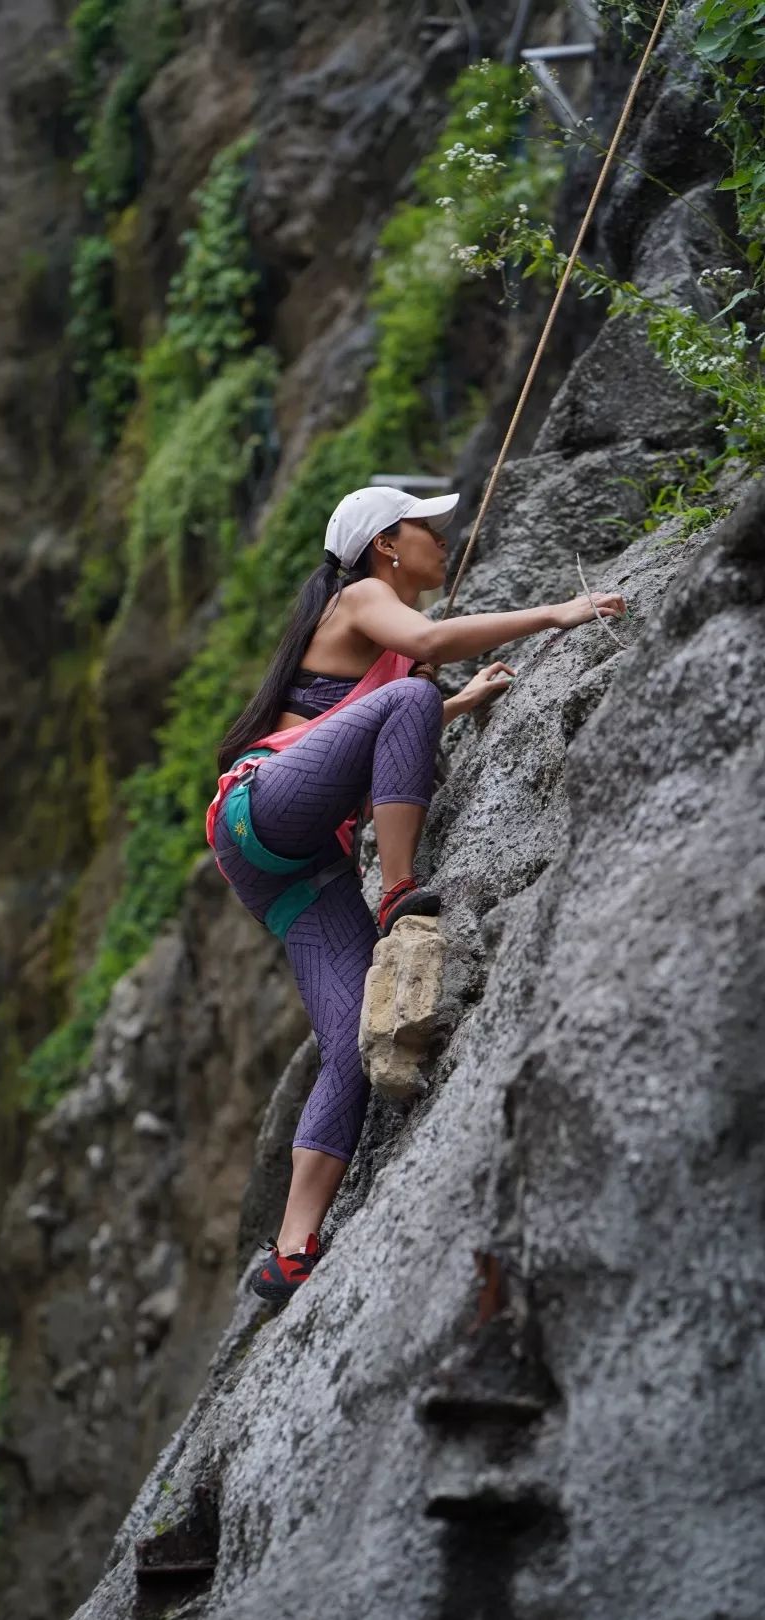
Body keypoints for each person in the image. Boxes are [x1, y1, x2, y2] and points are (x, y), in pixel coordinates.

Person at [206, 485, 626, 1303]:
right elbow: (420, 656)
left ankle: (291, 1248)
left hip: (286, 868)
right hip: (268, 807)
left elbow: (372, 722)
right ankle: (399, 886)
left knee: (351, 1042)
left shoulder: (375, 637)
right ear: (386, 546)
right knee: (411, 694)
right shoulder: (363, 597)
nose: (443, 538)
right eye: (426, 528)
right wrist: (558, 614)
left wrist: (453, 702)